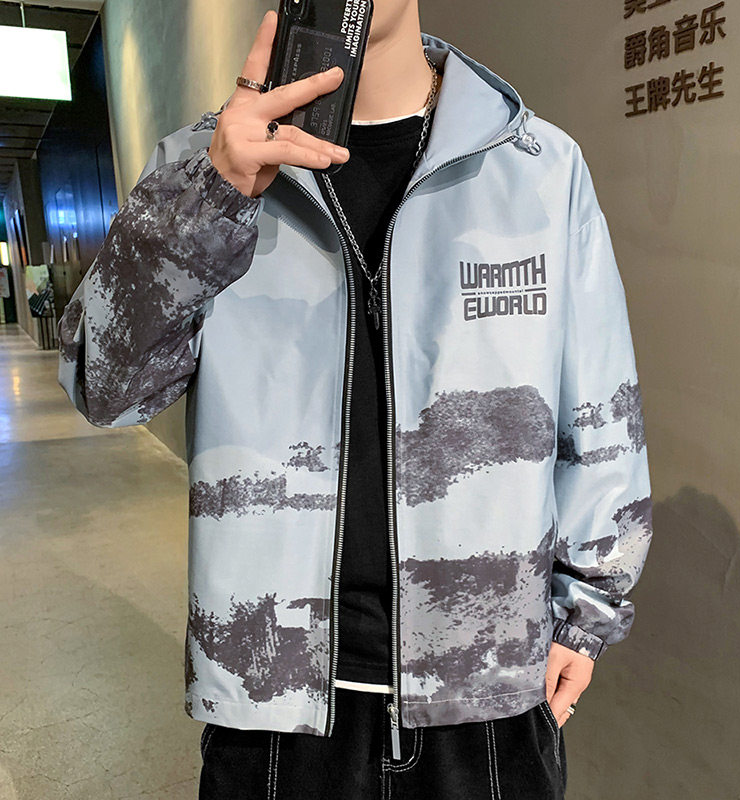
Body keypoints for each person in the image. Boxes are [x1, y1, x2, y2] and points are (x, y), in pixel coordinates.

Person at [56, 2, 654, 798]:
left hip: (485, 700)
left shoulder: (536, 166)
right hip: (274, 706)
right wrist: (210, 197)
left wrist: (587, 611)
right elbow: (104, 386)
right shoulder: (201, 168)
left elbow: (602, 412)